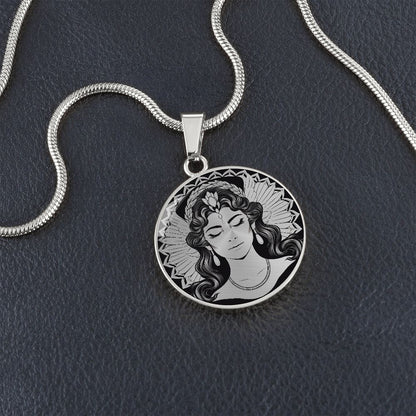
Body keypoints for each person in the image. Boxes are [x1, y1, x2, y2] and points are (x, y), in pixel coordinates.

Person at [185, 183, 303, 303]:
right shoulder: (218, 297)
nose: (232, 236)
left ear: (251, 222)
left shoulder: (288, 263)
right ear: (206, 244)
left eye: (237, 222)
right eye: (216, 233)